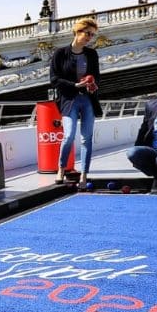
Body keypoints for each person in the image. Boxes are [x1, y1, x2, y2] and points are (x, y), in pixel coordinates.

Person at [48, 17, 103, 187]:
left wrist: (93, 84)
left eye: (92, 35)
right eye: (87, 33)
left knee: (86, 138)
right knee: (69, 135)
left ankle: (84, 174)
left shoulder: (92, 54)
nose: (89, 38)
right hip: (69, 99)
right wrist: (75, 85)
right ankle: (61, 169)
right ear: (78, 31)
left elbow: (97, 77)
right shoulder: (60, 53)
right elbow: (54, 80)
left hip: (88, 99)